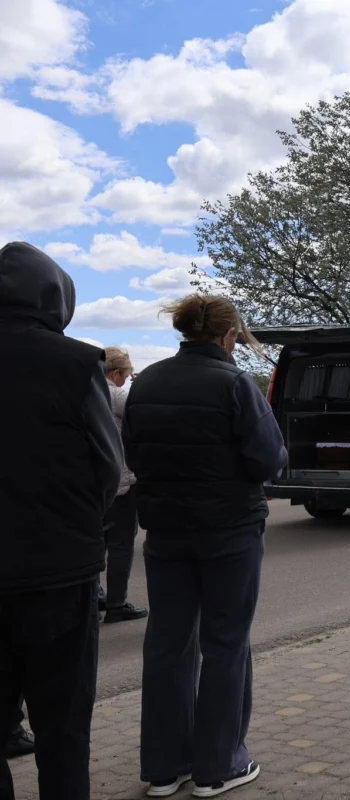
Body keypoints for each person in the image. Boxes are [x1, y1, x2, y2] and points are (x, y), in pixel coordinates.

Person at [124, 295, 287, 798]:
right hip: (229, 531)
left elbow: (133, 451)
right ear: (229, 336)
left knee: (168, 644)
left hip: (165, 533)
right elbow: (268, 459)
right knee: (225, 645)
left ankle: (164, 768)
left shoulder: (146, 382)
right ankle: (219, 766)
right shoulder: (236, 384)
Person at [0, 242, 123, 800]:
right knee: (63, 729)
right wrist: (84, 525)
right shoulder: (75, 363)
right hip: (59, 570)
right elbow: (108, 466)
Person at [101, 347, 150, 624]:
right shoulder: (118, 394)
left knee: (98, 542)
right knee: (121, 543)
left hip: (94, 484)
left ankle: (95, 596)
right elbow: (140, 425)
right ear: (117, 373)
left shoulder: (88, 391)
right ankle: (117, 603)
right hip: (121, 482)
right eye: (126, 375)